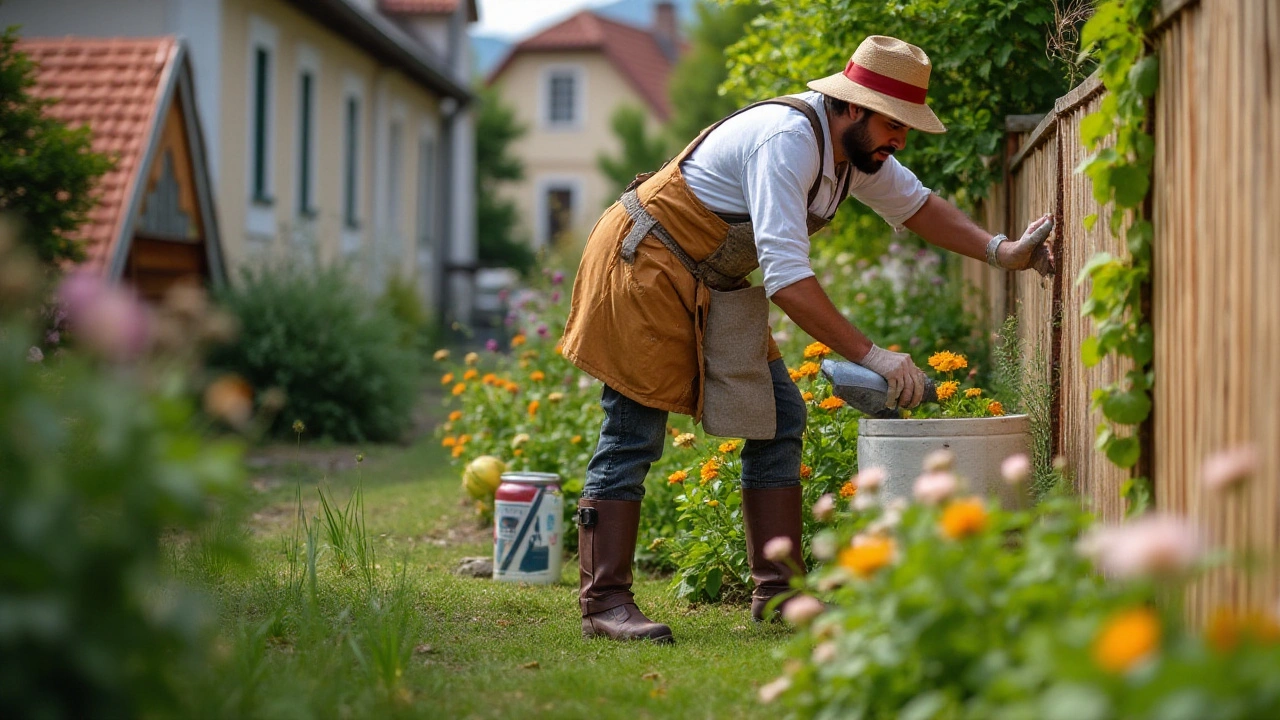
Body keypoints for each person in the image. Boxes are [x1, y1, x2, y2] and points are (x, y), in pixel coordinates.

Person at [560, 35, 1055, 644]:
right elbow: (788, 280)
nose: (899, 139)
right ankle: (604, 604)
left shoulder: (855, 155)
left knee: (777, 415)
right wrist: (874, 355)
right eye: (893, 124)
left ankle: (779, 594)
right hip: (644, 264)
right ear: (853, 106)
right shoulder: (788, 142)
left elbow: (919, 206)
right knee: (633, 431)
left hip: (709, 278)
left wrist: (1000, 251)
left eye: (906, 128)